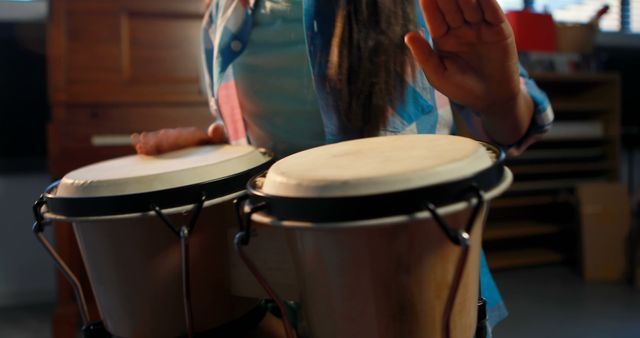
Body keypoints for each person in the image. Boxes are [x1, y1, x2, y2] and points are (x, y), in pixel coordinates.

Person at [132, 0, 554, 336]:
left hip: (409, 273)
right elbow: (264, 139)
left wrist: (499, 99)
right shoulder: (224, 11)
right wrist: (208, 149)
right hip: (279, 275)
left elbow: (510, 127)